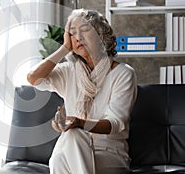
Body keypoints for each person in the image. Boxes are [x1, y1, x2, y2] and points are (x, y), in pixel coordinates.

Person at [27, 9, 137, 174]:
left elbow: (115, 124)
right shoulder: (69, 71)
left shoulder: (123, 74)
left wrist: (79, 123)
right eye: (72, 34)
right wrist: (64, 48)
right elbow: (33, 78)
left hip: (109, 153)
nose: (78, 37)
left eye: (85, 30)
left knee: (72, 138)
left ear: (101, 36)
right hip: (71, 149)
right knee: (62, 153)